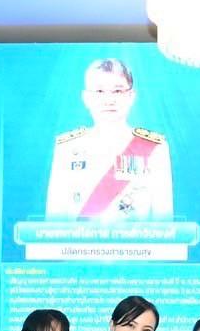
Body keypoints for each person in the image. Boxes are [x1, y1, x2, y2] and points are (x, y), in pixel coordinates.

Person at [45, 59, 173, 221]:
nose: (109, 100)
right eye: (99, 91)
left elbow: (164, 222)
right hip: (79, 238)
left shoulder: (154, 148)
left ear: (131, 96)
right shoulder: (67, 147)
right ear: (86, 98)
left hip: (135, 238)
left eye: (117, 91)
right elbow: (54, 220)